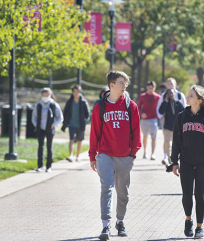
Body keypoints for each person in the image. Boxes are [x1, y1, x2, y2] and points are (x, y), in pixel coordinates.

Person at [88, 70, 141, 240]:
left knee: (123, 192)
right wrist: (92, 156)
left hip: (125, 156)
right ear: (111, 85)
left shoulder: (131, 106)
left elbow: (136, 132)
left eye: (125, 83)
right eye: (121, 83)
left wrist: (132, 154)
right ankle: (105, 225)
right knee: (107, 189)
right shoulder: (100, 106)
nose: (124, 86)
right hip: (105, 155)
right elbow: (94, 133)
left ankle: (120, 221)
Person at [171, 85, 204, 239]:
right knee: (187, 194)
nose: (187, 97)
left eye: (191, 96)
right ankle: (188, 220)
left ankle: (199, 227)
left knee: (199, 194)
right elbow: (176, 142)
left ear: (200, 100)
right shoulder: (182, 116)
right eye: (188, 95)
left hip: (203, 162)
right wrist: (174, 162)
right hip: (186, 161)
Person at [31, 88, 63, 173]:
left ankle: (49, 166)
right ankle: (40, 166)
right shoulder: (38, 105)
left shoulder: (54, 105)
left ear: (50, 95)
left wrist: (54, 124)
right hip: (40, 129)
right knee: (40, 147)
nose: (45, 97)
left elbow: (60, 118)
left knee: (49, 147)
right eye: (43, 95)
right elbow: (34, 118)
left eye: (47, 95)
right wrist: (37, 125)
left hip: (50, 129)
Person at [156, 78, 186, 163]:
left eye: (172, 83)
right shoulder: (164, 96)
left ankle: (176, 158)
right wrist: (160, 117)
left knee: (176, 142)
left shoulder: (180, 96)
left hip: (178, 124)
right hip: (167, 123)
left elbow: (184, 108)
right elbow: (159, 108)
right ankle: (166, 157)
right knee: (167, 141)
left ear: (175, 85)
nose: (170, 85)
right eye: (168, 83)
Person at [61, 85, 90, 162]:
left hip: (80, 125)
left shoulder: (83, 102)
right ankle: (71, 155)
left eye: (77, 91)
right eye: (74, 91)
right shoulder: (70, 101)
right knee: (71, 140)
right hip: (71, 124)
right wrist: (65, 122)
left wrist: (85, 122)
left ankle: (78, 156)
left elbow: (88, 114)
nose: (76, 93)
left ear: (80, 92)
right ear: (72, 92)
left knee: (79, 141)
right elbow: (65, 112)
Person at [138, 81, 161, 160]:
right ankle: (145, 152)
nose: (150, 90)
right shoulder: (143, 96)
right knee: (145, 136)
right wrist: (141, 113)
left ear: (154, 88)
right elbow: (139, 107)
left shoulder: (158, 97)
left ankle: (153, 154)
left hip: (154, 119)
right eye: (149, 88)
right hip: (144, 120)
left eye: (152, 88)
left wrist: (160, 116)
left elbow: (161, 108)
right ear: (147, 88)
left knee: (153, 137)